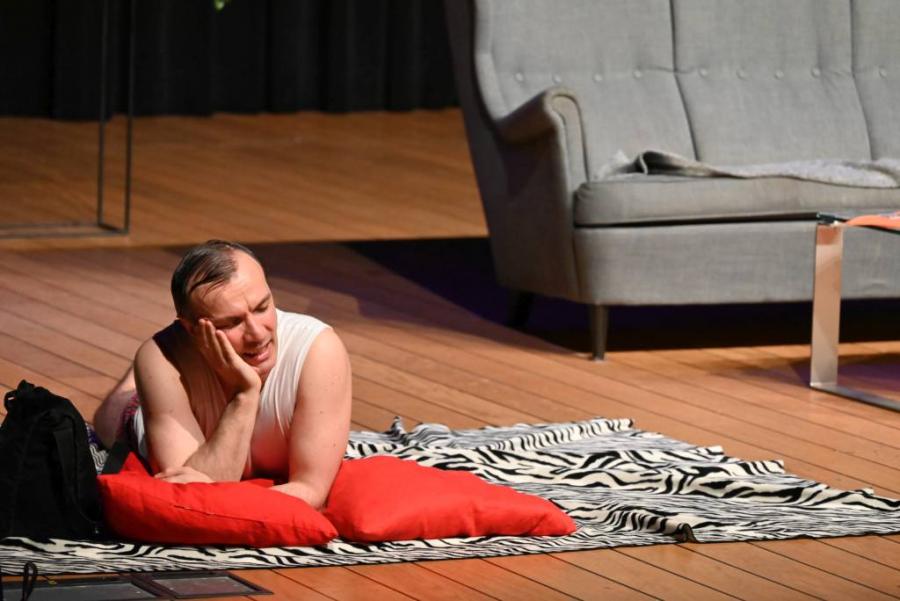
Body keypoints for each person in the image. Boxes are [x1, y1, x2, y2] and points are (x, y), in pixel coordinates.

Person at [94, 240, 352, 509]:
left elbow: (312, 491)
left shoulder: (317, 349)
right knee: (113, 417)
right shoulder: (161, 360)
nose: (257, 334)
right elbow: (187, 498)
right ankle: (134, 384)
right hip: (148, 405)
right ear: (192, 330)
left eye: (262, 307)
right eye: (232, 322)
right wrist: (245, 394)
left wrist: (221, 495)